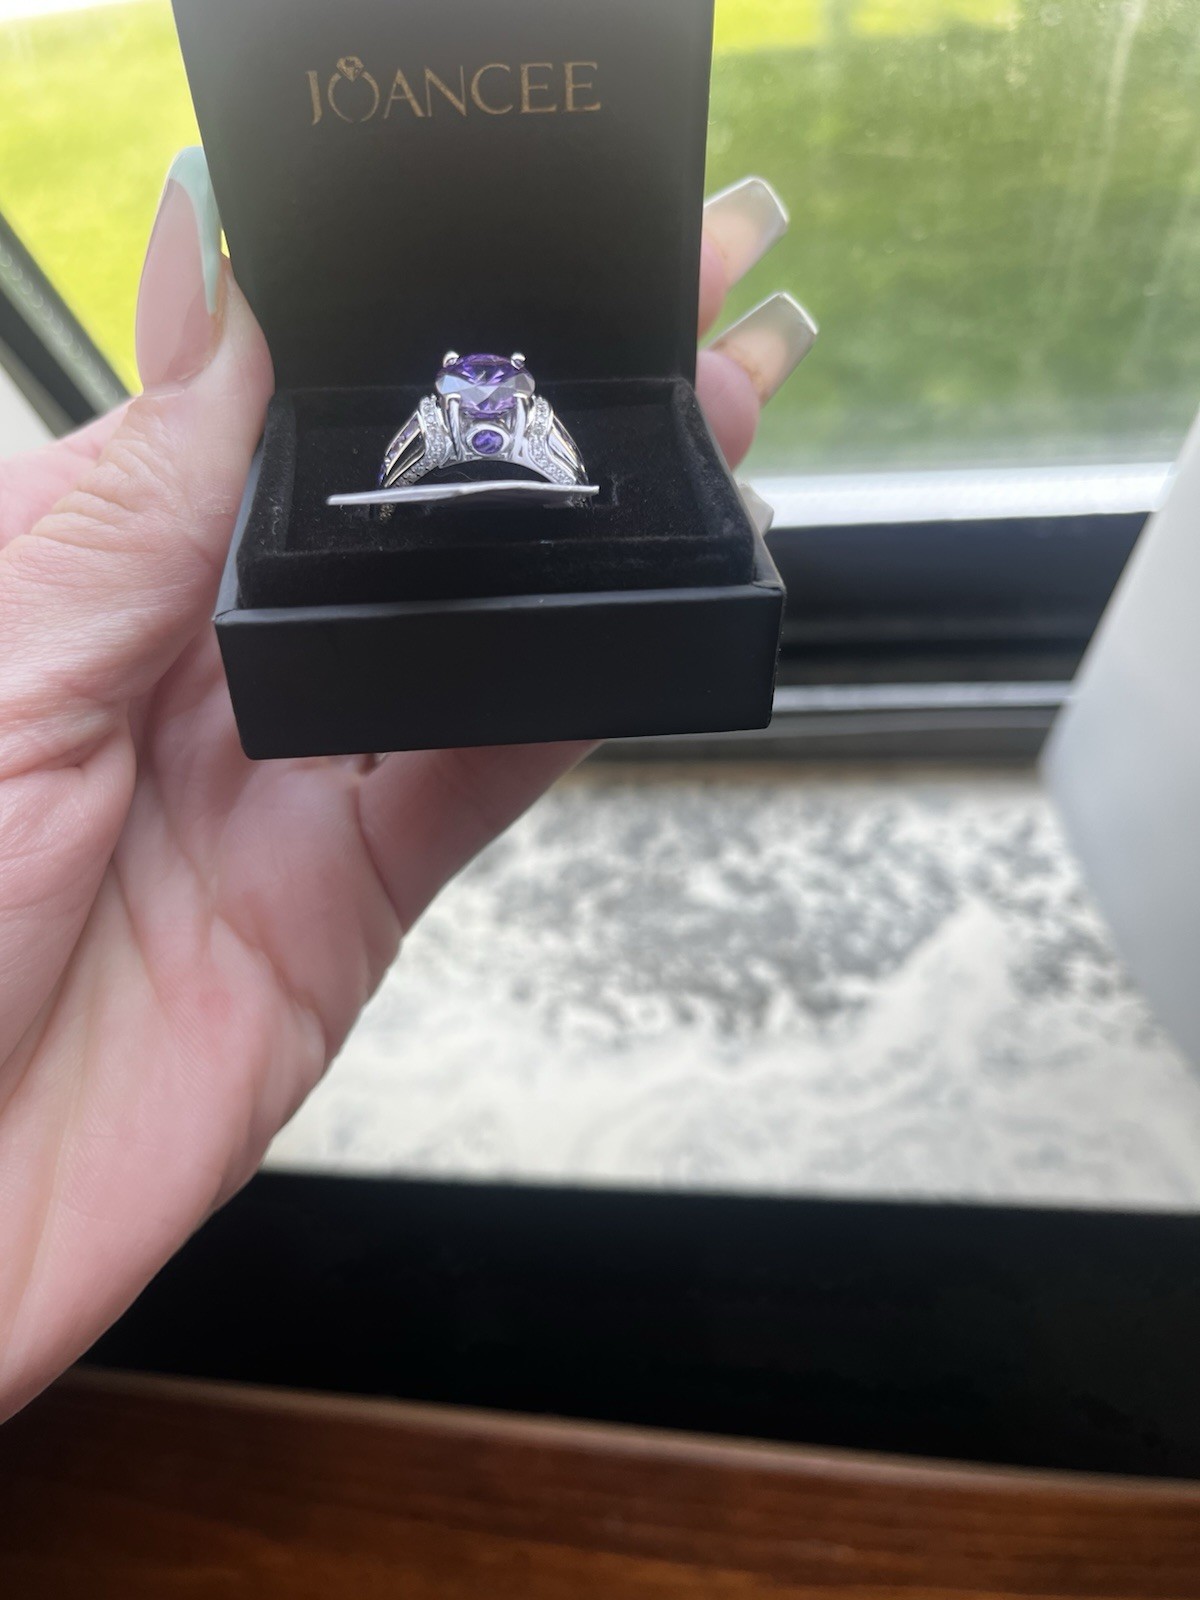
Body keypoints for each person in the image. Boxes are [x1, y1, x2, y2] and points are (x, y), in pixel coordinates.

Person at [0, 155, 806, 1420]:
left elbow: (536, 450)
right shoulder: (429, 426)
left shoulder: (527, 420)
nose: (481, 402)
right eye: (470, 400)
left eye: (492, 399)